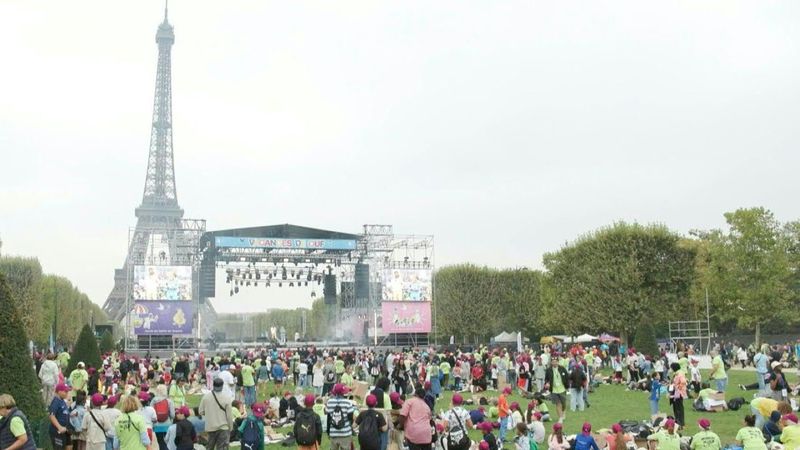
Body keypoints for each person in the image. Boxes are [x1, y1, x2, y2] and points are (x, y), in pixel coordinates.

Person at [198, 378, 233, 450]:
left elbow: (200, 411)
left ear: (213, 385)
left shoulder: (206, 397)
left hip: (210, 427)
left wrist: (209, 413)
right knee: (222, 448)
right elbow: (229, 416)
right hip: (223, 427)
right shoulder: (227, 398)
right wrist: (231, 427)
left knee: (209, 447)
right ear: (222, 386)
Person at [399, 385, 433, 450]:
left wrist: (401, 426)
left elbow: (402, 416)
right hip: (427, 434)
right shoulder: (427, 406)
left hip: (413, 433)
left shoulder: (409, 401)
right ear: (424, 396)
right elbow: (429, 420)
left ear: (415, 394)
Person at [325, 384, 355, 450]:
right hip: (345, 433)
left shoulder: (330, 402)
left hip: (333, 432)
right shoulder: (348, 402)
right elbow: (350, 418)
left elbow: (327, 414)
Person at [543, 359, 568, 424]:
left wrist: (567, 386)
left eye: (555, 361)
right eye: (553, 362)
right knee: (558, 403)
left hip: (562, 388)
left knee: (563, 404)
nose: (554, 363)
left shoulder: (562, 368)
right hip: (554, 390)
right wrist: (547, 383)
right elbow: (546, 379)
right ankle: (560, 417)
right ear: (551, 362)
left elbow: (567, 377)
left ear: (558, 362)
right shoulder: (549, 370)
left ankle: (563, 412)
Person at [49, 383, 72, 450]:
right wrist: (59, 427)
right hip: (57, 431)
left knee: (69, 446)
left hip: (65, 430)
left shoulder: (62, 401)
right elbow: (51, 416)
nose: (67, 393)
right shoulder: (56, 401)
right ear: (59, 391)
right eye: (65, 391)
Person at [669, 363, 687, 427]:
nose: (670, 369)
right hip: (675, 392)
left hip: (678, 393)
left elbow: (683, 382)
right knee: (675, 407)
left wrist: (677, 388)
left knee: (679, 408)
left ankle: (681, 422)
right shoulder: (676, 374)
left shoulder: (679, 374)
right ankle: (677, 421)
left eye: (671, 368)